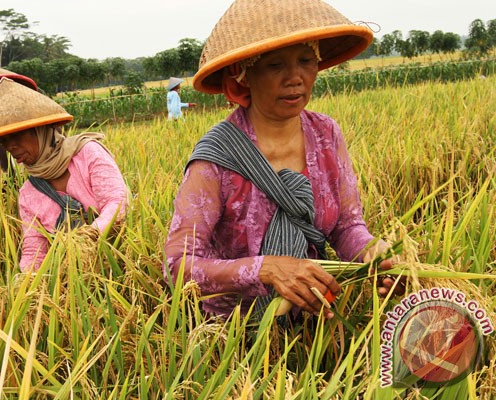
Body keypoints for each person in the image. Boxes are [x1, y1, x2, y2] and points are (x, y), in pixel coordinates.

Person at [164, 0, 403, 321]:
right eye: (276, 65)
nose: (295, 77)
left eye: (306, 61)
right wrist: (265, 269)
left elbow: (347, 227)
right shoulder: (217, 157)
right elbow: (178, 265)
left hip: (318, 314)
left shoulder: (326, 135)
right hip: (235, 329)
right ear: (244, 73)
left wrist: (373, 255)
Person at [0, 78, 129, 272]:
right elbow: (35, 249)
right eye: (3, 141)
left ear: (40, 129)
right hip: (79, 276)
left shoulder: (87, 153)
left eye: (16, 136)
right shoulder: (28, 194)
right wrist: (28, 281)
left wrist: (88, 236)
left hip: (121, 261)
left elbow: (117, 203)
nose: (10, 147)